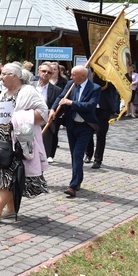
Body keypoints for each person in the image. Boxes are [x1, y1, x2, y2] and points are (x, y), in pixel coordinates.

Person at [0, 63, 49, 221]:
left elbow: (43, 113)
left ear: (14, 76)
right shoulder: (4, 93)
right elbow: (0, 113)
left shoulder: (27, 91)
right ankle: (11, 208)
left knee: (9, 173)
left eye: (4, 74)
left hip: (18, 142)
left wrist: (19, 118)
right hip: (1, 141)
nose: (0, 78)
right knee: (3, 172)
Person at [49, 66, 100, 198]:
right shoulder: (71, 84)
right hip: (72, 125)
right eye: (71, 75)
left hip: (86, 126)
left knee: (78, 154)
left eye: (74, 75)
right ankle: (78, 180)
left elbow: (90, 106)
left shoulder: (95, 88)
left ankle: (72, 186)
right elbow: (60, 97)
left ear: (83, 76)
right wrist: (53, 109)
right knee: (74, 154)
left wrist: (72, 103)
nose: (71, 77)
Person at [84, 80, 119, 169]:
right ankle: (88, 154)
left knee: (101, 134)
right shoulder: (92, 70)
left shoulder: (109, 73)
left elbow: (115, 86)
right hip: (91, 106)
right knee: (88, 131)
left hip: (104, 108)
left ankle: (98, 159)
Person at [32, 62, 62, 163]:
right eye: (43, 71)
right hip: (29, 121)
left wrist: (51, 112)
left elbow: (59, 108)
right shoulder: (29, 86)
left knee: (42, 152)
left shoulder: (57, 90)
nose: (46, 73)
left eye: (49, 72)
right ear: (38, 72)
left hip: (46, 123)